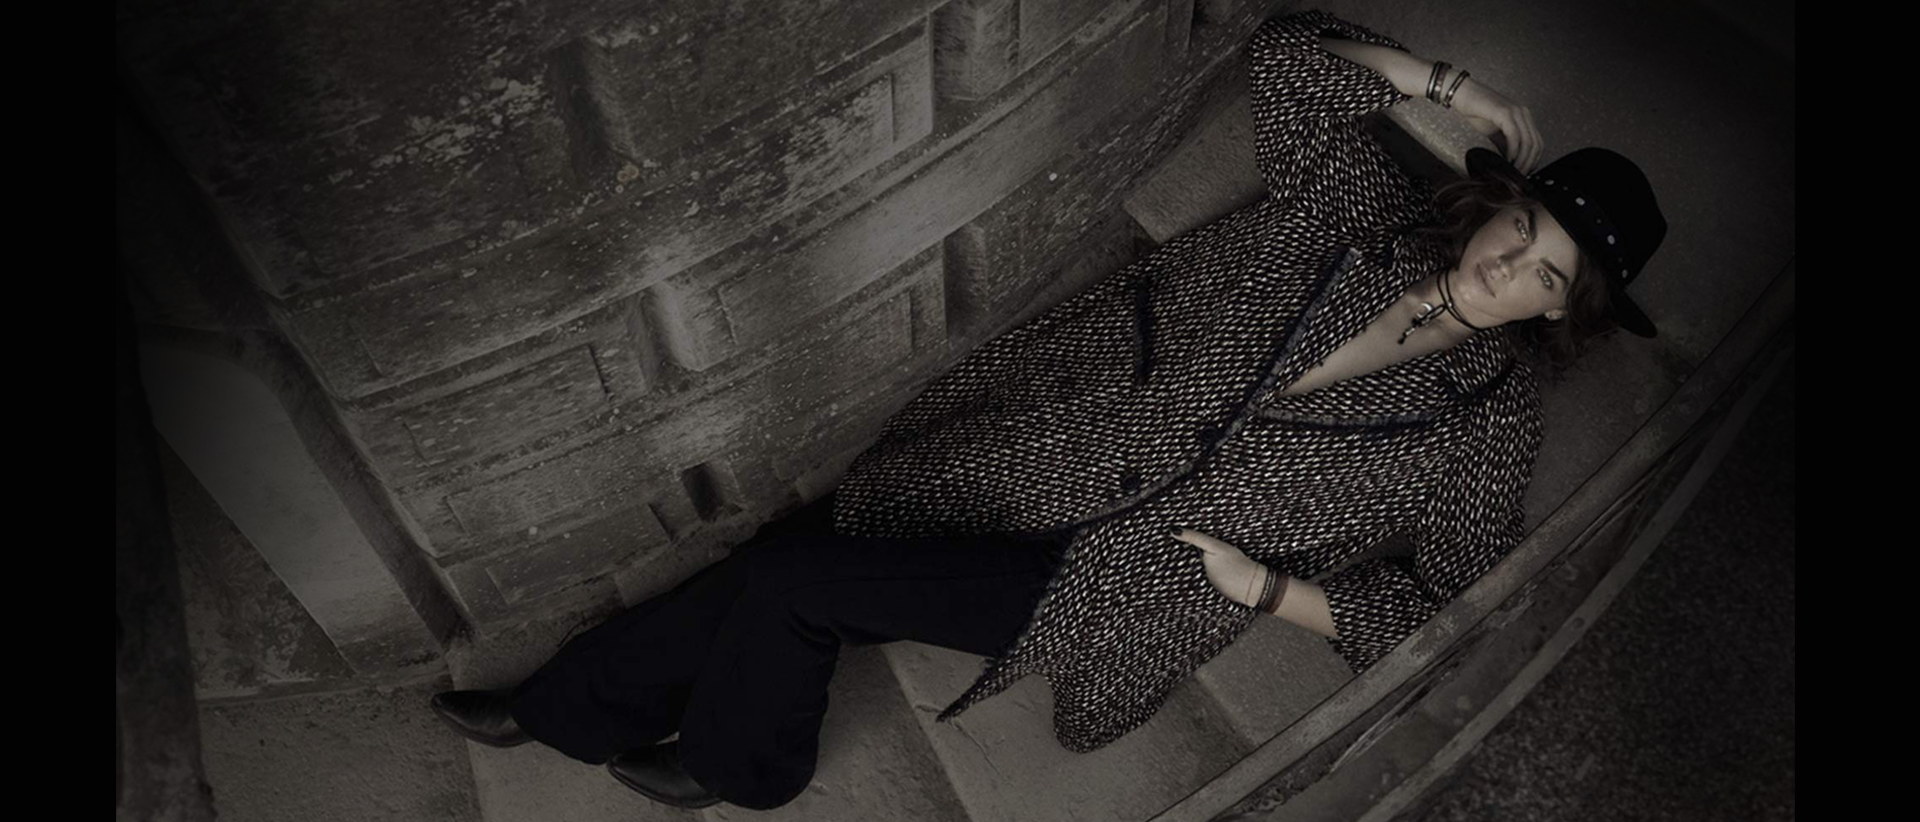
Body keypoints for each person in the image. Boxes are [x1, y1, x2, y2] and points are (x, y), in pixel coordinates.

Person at [429, 9, 1667, 811]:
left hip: (1119, 574)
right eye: (1523, 228)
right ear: (1494, 206)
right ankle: (620, 718)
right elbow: (1286, 60)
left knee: (799, 580)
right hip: (1049, 445)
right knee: (804, 549)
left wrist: (1269, 594)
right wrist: (1447, 83)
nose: (1515, 266)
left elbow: (1444, 601)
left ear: (1569, 310)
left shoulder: (1489, 424)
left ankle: (727, 760)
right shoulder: (1360, 216)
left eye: (1550, 274)